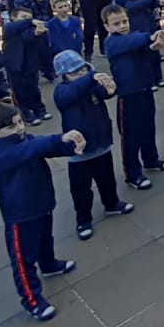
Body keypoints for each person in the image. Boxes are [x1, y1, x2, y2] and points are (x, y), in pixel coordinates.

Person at [0, 100, 81, 322]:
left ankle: (49, 263)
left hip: (41, 203)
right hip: (20, 215)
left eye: (20, 122)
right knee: (23, 259)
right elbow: (32, 149)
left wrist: (70, 144)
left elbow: (45, 147)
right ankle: (32, 300)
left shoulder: (24, 140)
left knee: (45, 239)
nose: (20, 128)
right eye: (12, 126)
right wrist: (57, 138)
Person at [51, 50, 134, 240]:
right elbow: (73, 92)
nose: (81, 74)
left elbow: (103, 94)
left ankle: (111, 204)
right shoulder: (62, 92)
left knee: (107, 179)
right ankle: (83, 219)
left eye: (83, 70)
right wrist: (90, 78)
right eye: (75, 73)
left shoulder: (89, 85)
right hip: (80, 151)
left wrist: (110, 89)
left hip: (101, 143)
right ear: (64, 76)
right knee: (81, 189)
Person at [103, 5, 164, 190]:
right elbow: (131, 43)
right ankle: (132, 174)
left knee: (148, 127)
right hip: (128, 95)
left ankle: (151, 159)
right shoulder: (111, 42)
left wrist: (152, 46)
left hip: (145, 89)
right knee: (131, 136)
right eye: (116, 23)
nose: (122, 26)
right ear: (106, 27)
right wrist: (149, 36)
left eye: (124, 21)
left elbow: (143, 51)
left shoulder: (133, 37)